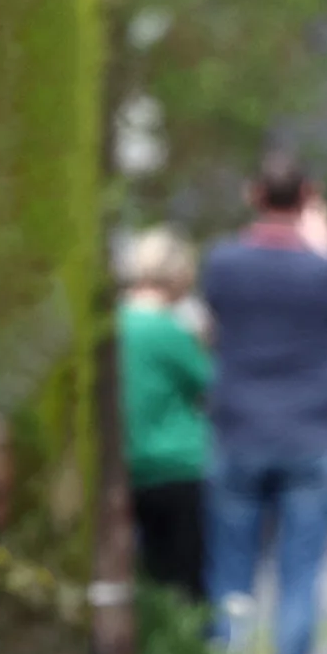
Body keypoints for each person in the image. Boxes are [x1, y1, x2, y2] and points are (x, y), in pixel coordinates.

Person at [202, 154, 327, 654]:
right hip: (312, 436)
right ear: (308, 196)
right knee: (298, 577)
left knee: (231, 572)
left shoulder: (222, 263)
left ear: (254, 195)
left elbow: (209, 326)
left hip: (238, 429)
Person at [119, 227, 212, 602]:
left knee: (145, 573)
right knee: (187, 579)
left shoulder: (115, 323)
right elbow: (207, 381)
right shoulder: (169, 329)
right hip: (177, 462)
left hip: (128, 460)